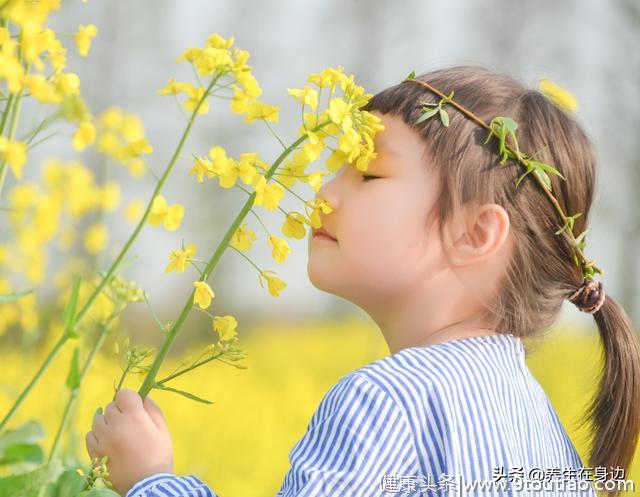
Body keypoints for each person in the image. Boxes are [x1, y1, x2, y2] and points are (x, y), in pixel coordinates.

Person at [85, 65, 640, 497]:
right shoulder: (538, 423)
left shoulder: (384, 403)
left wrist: (150, 480)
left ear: (474, 234)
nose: (323, 192)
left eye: (369, 172)